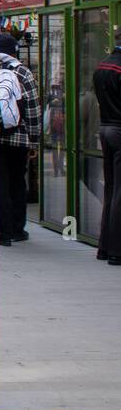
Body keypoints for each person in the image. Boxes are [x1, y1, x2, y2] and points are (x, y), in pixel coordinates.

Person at [0, 32, 41, 247]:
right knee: (17, 183)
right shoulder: (23, 72)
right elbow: (32, 108)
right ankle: (17, 229)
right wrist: (34, 139)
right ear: (14, 51)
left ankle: (3, 232)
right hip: (20, 138)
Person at [91, 33, 121, 265]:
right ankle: (116, 250)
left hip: (105, 127)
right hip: (119, 129)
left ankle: (104, 246)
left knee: (111, 189)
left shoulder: (103, 66)